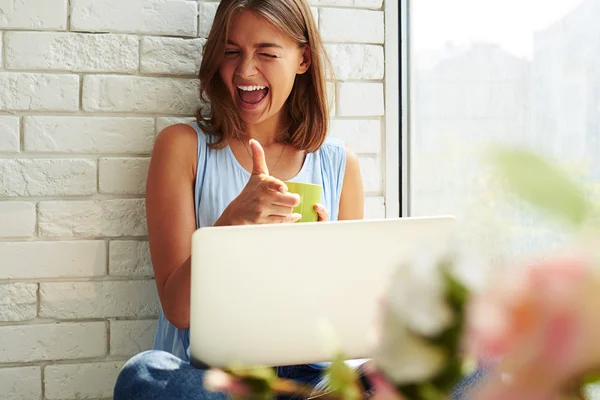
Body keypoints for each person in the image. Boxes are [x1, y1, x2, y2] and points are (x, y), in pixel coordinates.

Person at [113, 0, 365, 398]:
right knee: (143, 373)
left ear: (303, 59)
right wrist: (232, 224)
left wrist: (323, 266)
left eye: (266, 53)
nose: (245, 71)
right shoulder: (183, 148)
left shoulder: (339, 164)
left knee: (465, 359)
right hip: (220, 380)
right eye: (231, 53)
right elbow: (178, 310)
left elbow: (348, 324)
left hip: (313, 380)